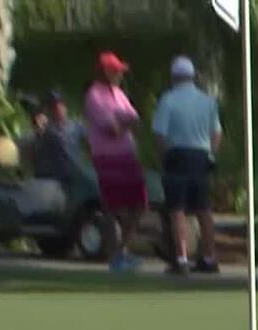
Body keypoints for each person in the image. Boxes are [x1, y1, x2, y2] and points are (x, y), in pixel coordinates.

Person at [152, 55, 223, 275]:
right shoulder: (208, 101)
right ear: (193, 77)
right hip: (201, 156)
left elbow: (159, 134)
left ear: (174, 77)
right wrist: (210, 154)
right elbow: (217, 133)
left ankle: (182, 259)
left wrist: (164, 157)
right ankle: (209, 257)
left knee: (177, 209)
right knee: (204, 210)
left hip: (177, 155)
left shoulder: (168, 100)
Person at [84, 51, 147, 273]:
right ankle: (115, 256)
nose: (120, 74)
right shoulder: (94, 96)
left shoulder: (119, 94)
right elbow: (113, 129)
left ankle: (121, 250)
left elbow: (135, 120)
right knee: (111, 207)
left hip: (127, 155)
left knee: (139, 203)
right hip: (107, 157)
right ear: (105, 72)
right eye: (116, 70)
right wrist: (125, 122)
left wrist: (125, 123)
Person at [33, 89, 89, 185]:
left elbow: (92, 141)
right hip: (56, 179)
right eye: (53, 107)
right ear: (48, 111)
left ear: (65, 107)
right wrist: (39, 131)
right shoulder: (46, 131)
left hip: (77, 174)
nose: (58, 109)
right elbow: (37, 153)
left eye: (60, 105)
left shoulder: (76, 126)